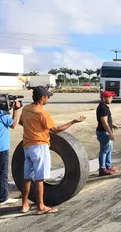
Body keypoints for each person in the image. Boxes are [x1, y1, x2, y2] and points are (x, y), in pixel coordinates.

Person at [19, 86, 85, 214]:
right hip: (40, 147)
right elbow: (55, 130)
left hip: (27, 146)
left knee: (27, 178)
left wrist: (33, 128)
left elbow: (21, 122)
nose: (48, 98)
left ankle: (24, 205)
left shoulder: (26, 109)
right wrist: (73, 121)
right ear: (43, 97)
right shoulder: (42, 113)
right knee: (39, 179)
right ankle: (41, 207)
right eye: (47, 96)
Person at [0, 100, 21, 205]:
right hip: (1, 148)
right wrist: (15, 110)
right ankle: (3, 198)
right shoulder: (2, 115)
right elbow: (13, 124)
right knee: (2, 173)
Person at [96, 91, 119, 176]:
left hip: (106, 131)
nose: (111, 99)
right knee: (104, 151)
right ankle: (102, 169)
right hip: (103, 132)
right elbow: (104, 123)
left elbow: (106, 121)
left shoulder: (104, 107)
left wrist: (112, 125)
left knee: (109, 149)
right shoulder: (103, 108)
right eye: (110, 97)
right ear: (104, 98)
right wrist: (110, 134)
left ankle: (108, 166)